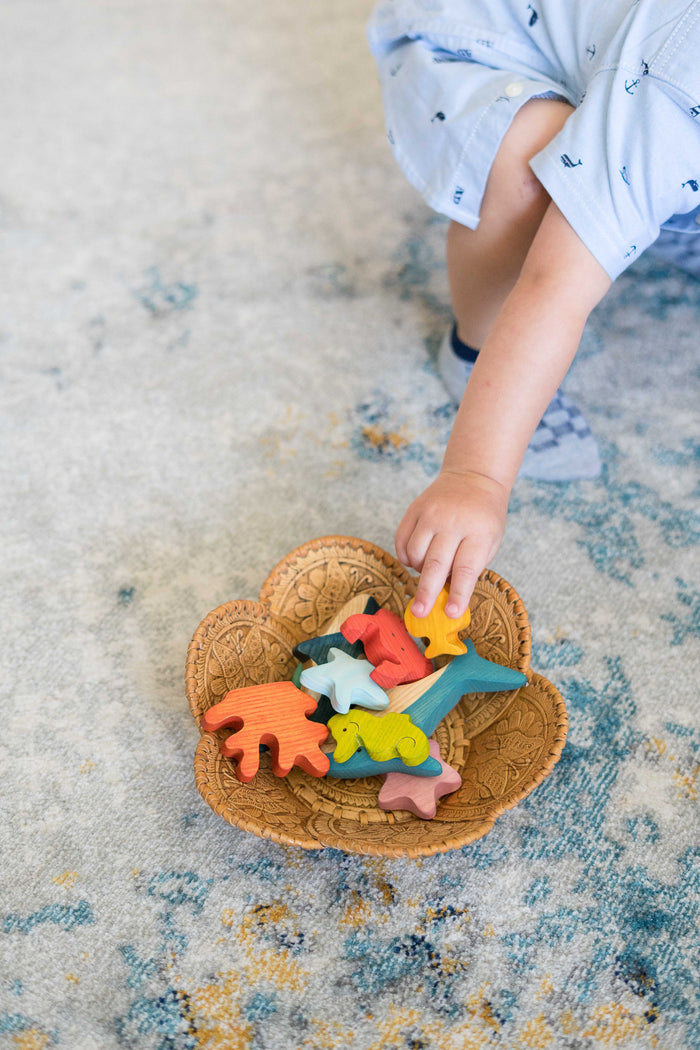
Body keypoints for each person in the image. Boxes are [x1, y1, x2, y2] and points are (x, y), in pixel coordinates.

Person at [367, 0, 700, 619]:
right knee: (536, 164)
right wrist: (476, 478)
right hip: (480, 36)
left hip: (623, 62)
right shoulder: (678, 87)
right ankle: (473, 347)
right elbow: (553, 286)